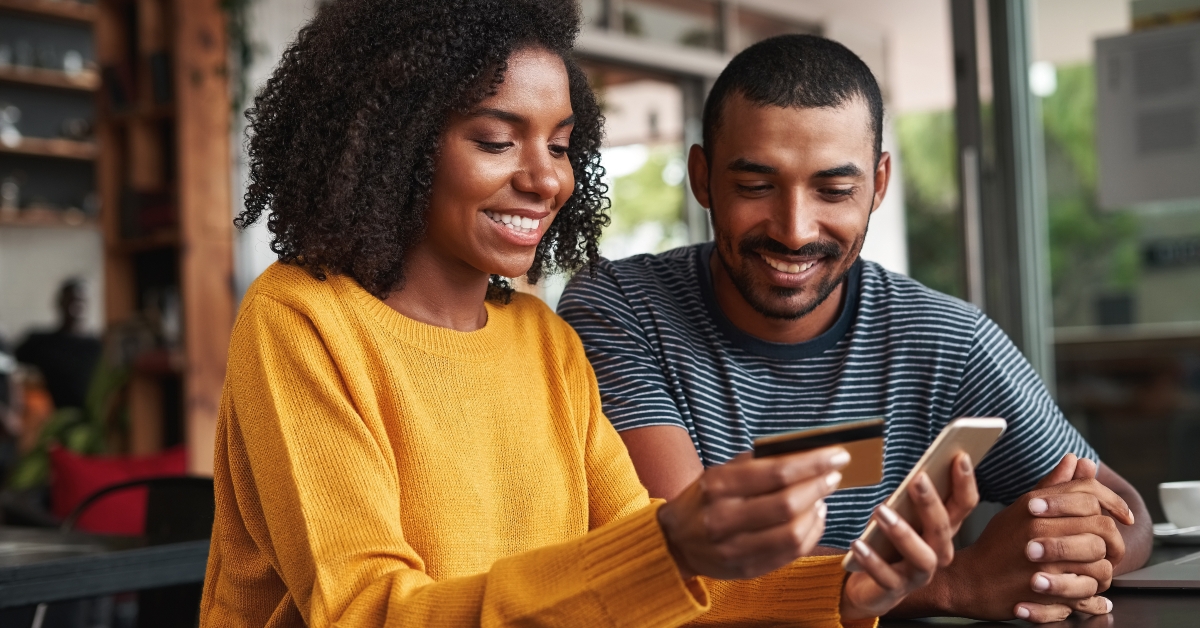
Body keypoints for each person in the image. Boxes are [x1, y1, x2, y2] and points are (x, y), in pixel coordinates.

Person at [200, 2, 979, 627]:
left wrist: (843, 592)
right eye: (498, 140)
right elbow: (364, 612)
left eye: (564, 146)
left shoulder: (543, 340)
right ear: (396, 144)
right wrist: (669, 545)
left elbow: (642, 585)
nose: (545, 179)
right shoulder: (302, 321)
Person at [558, 34, 1152, 625]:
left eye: (834, 190)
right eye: (755, 186)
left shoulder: (944, 339)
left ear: (879, 184)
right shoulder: (620, 309)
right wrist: (955, 583)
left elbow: (1126, 513)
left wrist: (1061, 549)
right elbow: (685, 565)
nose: (794, 230)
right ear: (703, 177)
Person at [15, 278, 102, 410]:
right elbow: (10, 364)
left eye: (81, 301)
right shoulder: (40, 343)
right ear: (60, 302)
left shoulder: (98, 347)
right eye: (71, 299)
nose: (76, 305)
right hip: (55, 419)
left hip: (91, 418)